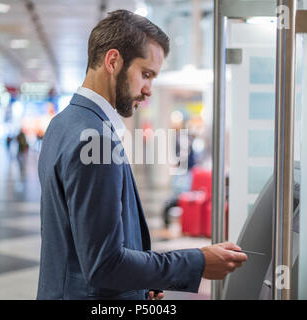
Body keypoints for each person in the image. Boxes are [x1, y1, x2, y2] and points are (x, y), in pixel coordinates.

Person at [37, 10, 247, 300]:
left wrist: (137, 288)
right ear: (113, 61)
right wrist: (198, 261)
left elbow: (78, 245)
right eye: (145, 74)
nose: (149, 90)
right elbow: (104, 264)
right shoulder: (96, 138)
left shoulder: (62, 124)